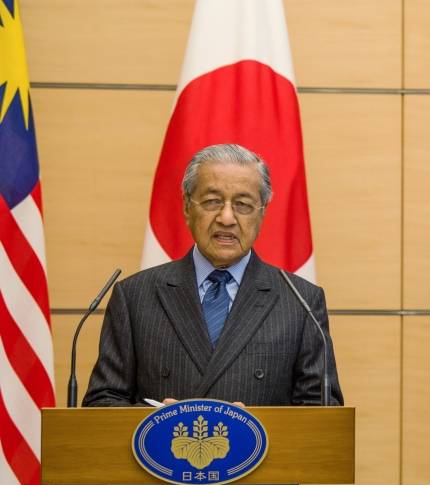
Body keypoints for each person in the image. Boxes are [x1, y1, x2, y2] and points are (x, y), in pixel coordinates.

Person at [84, 143, 343, 408]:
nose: (227, 218)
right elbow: (102, 402)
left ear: (262, 212)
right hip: (161, 449)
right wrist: (163, 422)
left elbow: (321, 411)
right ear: (187, 206)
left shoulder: (300, 301)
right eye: (212, 202)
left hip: (262, 451)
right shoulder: (135, 296)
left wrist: (250, 428)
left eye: (242, 204)